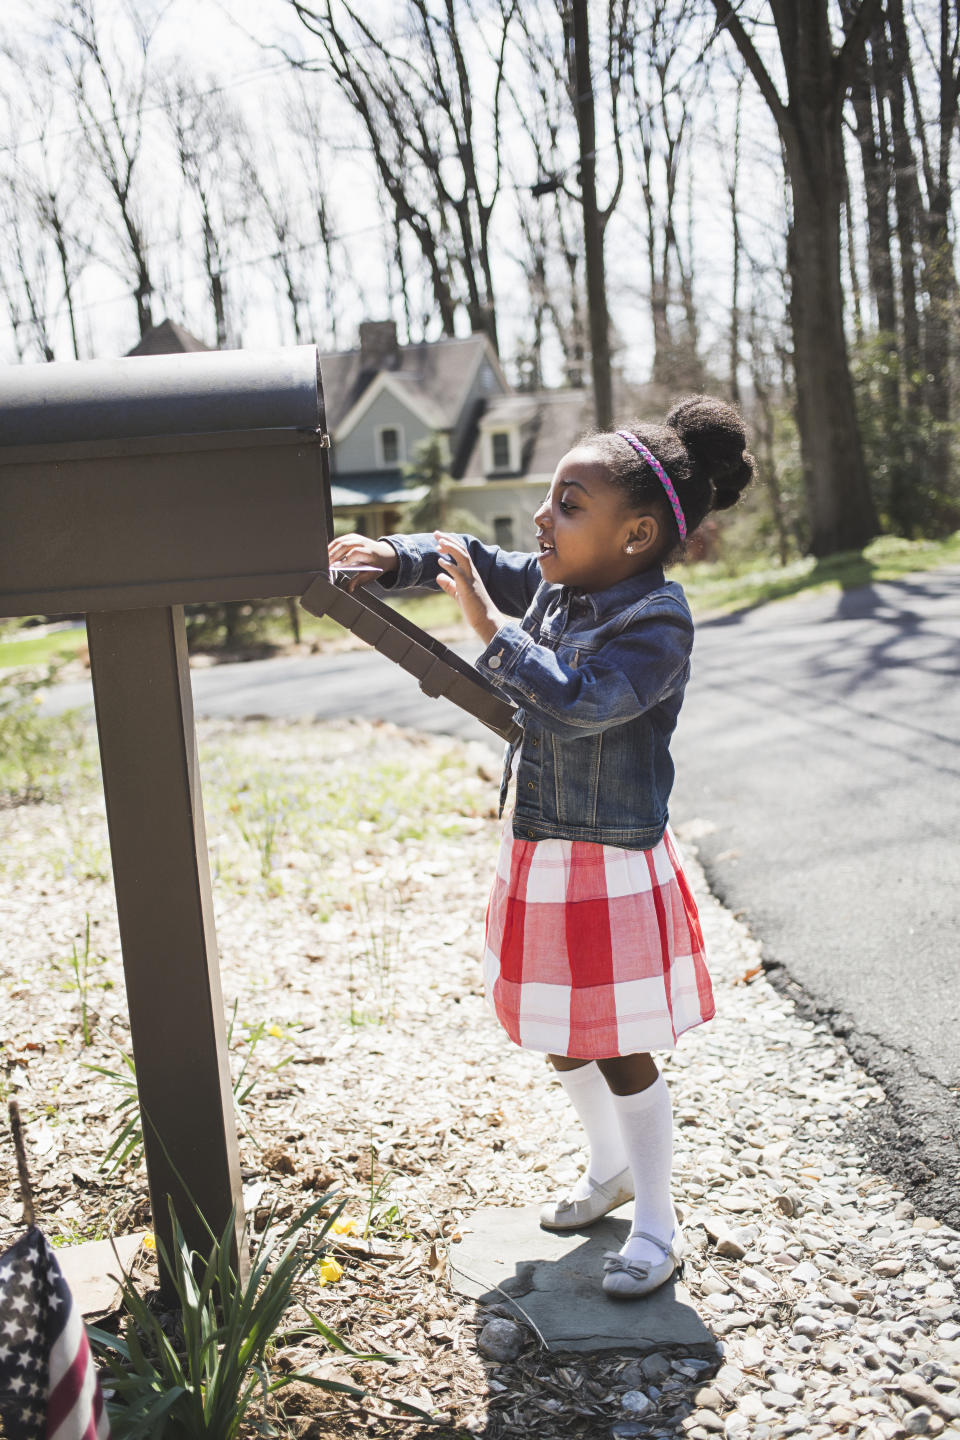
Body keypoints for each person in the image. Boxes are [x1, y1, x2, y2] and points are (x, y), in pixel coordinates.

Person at [328, 395, 754, 1298]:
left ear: (636, 535)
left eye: (568, 503)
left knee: (621, 1042)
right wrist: (396, 555)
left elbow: (586, 699)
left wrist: (496, 632)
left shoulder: (657, 621)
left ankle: (656, 1219)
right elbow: (477, 556)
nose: (542, 518)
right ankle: (609, 1171)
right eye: (552, 497)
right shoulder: (560, 582)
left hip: (610, 855)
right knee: (560, 1034)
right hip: (540, 850)